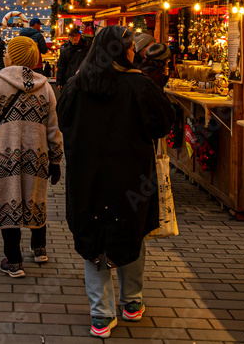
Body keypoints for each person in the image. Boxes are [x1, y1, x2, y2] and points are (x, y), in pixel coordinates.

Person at [56, 25, 173, 338]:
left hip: (86, 176)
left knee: (94, 237)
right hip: (132, 177)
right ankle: (132, 303)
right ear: (122, 51)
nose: (134, 51)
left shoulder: (76, 83)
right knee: (131, 232)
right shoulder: (139, 84)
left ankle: (101, 315)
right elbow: (164, 122)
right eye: (131, 47)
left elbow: (62, 119)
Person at [0, 36, 62, 278]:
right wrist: (55, 160)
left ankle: (14, 261)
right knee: (35, 197)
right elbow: (54, 127)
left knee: (8, 200)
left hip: (4, 153)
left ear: (12, 56)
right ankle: (39, 248)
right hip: (36, 154)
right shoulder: (45, 86)